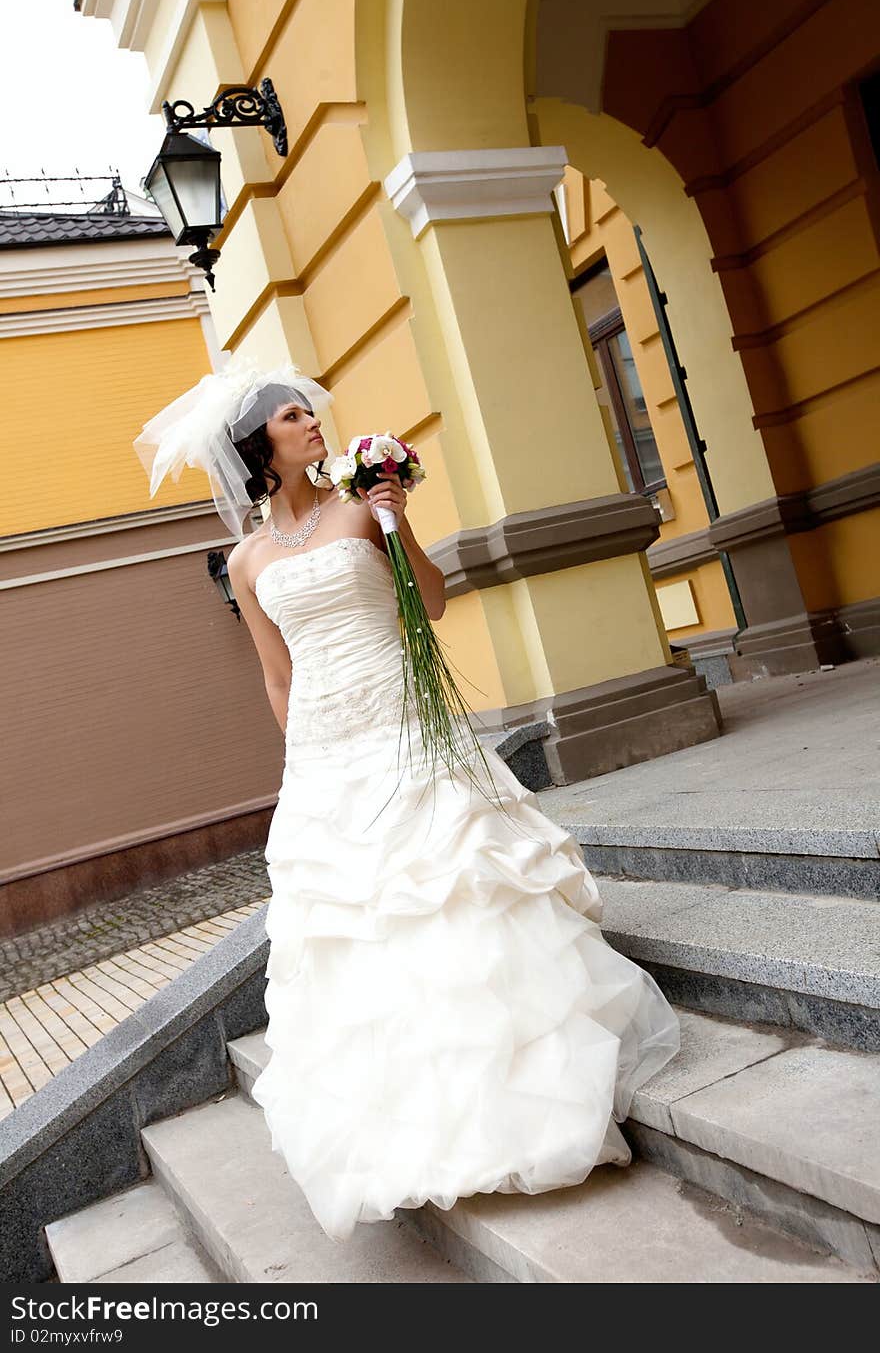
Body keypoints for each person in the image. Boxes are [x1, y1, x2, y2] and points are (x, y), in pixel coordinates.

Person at [134, 361, 681, 1245]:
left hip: (401, 713)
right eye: (290, 415)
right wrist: (303, 769)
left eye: (309, 409)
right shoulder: (245, 560)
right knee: (365, 926)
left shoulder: (360, 507)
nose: (312, 420)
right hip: (326, 746)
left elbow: (426, 605)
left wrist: (398, 520)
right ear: (256, 449)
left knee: (455, 885)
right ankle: (414, 1121)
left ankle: (519, 1096)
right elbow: (277, 676)